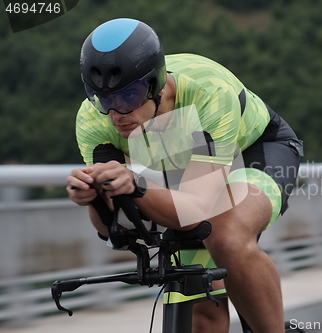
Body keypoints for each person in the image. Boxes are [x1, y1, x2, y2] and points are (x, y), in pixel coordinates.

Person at [67, 18, 303, 333]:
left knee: (226, 238)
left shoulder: (208, 92)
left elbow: (194, 213)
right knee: (200, 313)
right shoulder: (91, 120)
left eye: (129, 96)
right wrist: (93, 197)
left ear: (157, 85)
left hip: (252, 152)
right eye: (103, 98)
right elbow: (113, 231)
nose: (116, 113)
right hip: (182, 166)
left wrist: (136, 184)